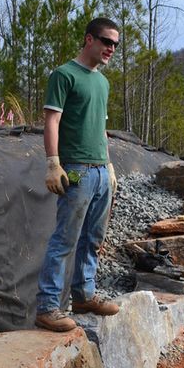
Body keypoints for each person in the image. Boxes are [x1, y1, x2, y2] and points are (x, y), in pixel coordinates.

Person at [35, 17, 120, 332]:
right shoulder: (64, 75)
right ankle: (47, 307)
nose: (111, 48)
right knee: (64, 239)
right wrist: (52, 163)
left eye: (115, 44)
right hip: (76, 171)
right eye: (106, 41)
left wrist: (109, 165)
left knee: (93, 238)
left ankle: (83, 294)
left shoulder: (102, 82)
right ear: (89, 39)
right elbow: (52, 120)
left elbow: (100, 128)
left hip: (99, 172)